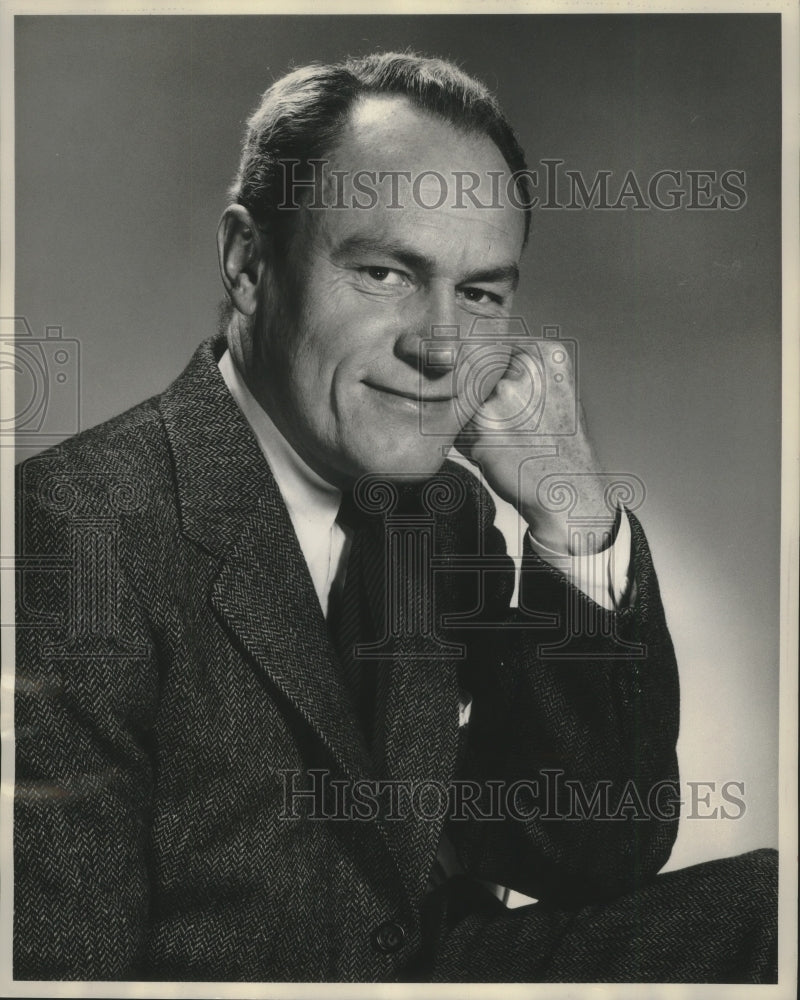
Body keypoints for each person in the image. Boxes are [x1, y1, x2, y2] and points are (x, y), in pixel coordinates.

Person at [14, 51, 777, 983]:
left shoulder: (440, 510)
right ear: (249, 263)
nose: (439, 346)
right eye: (384, 273)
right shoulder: (71, 530)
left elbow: (590, 849)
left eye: (481, 292)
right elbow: (59, 964)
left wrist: (570, 515)